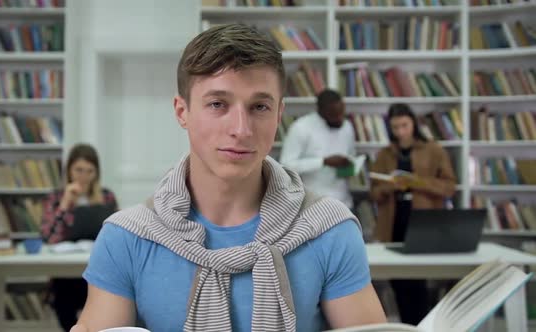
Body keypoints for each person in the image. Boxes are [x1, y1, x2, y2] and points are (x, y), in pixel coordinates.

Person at [71, 24, 386, 332]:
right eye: (217, 104)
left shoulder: (330, 230)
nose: (241, 129)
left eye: (259, 106)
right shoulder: (126, 238)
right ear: (182, 112)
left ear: (279, 115)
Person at [369, 103, 457, 325]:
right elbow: (375, 192)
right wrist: (392, 186)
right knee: (398, 279)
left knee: (419, 279)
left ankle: (422, 325)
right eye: (395, 127)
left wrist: (417, 182)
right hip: (394, 219)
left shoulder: (434, 150)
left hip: (424, 219)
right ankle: (407, 326)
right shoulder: (385, 153)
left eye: (404, 125)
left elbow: (448, 187)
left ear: (414, 124)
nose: (401, 132)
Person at [41, 143, 118, 332]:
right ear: (69, 170)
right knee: (64, 299)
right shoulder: (55, 197)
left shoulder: (106, 197)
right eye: (79, 170)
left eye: (89, 171)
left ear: (96, 173)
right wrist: (65, 204)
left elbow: (117, 235)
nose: (83, 176)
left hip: (97, 269)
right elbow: (48, 236)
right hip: (65, 274)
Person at [280, 89, 357, 208]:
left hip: (344, 203)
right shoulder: (301, 128)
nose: (340, 119)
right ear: (321, 111)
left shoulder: (347, 126)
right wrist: (323, 162)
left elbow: (351, 155)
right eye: (334, 116)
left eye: (342, 113)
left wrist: (349, 167)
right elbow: (285, 166)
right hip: (312, 205)